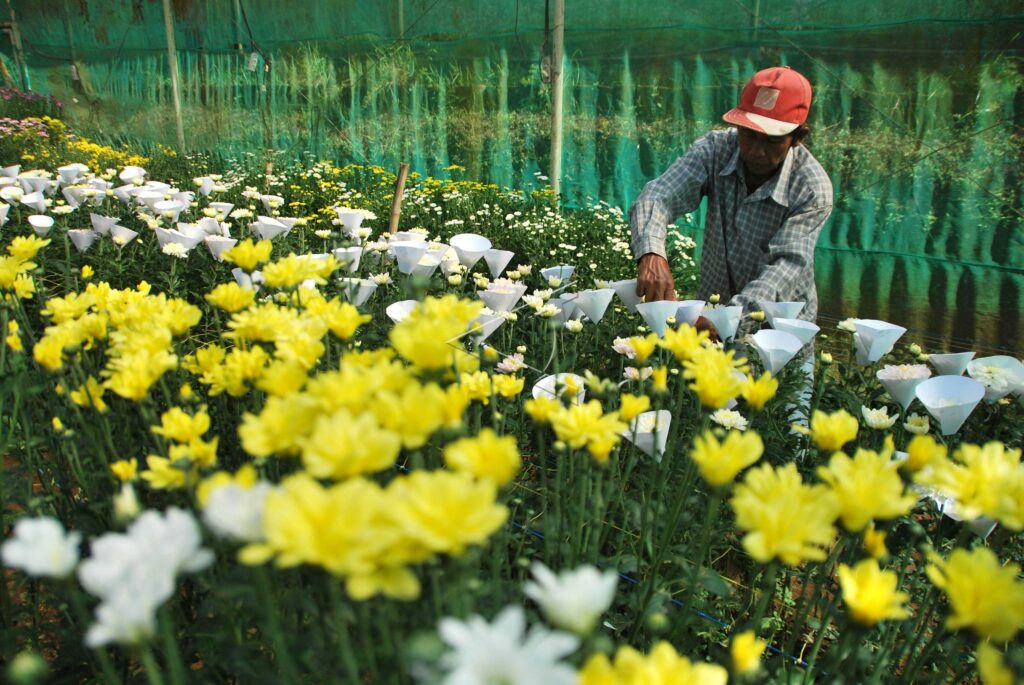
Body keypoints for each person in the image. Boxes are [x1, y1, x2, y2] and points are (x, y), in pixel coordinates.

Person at [630, 66, 833, 338]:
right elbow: (659, 196)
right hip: (710, 314)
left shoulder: (810, 189)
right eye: (749, 134)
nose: (757, 150)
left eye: (772, 140)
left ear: (797, 137)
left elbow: (784, 267)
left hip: (776, 333)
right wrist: (652, 253)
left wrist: (727, 319)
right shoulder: (715, 151)